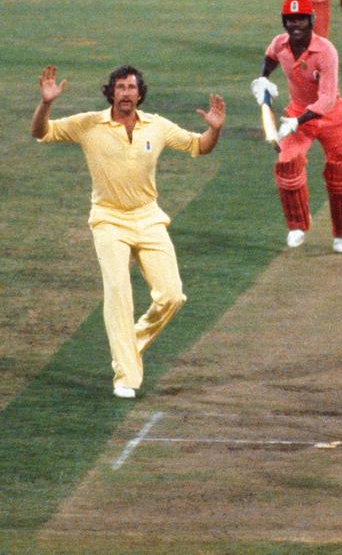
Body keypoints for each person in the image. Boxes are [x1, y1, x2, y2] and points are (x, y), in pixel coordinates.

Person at [30, 64, 225, 399]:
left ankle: (128, 345)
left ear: (139, 93)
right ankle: (126, 376)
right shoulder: (89, 124)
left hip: (148, 218)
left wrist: (215, 130)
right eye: (119, 87)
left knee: (172, 295)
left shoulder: (157, 126)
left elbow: (199, 146)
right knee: (119, 291)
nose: (125, 93)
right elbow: (40, 132)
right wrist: (46, 103)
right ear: (111, 92)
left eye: (131, 87)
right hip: (109, 220)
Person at [251, 0, 342, 253]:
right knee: (286, 164)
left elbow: (327, 99)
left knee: (340, 174)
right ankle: (297, 224)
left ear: (311, 20)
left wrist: (296, 122)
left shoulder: (326, 51)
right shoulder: (280, 44)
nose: (295, 25)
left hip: (331, 117)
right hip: (296, 112)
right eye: (290, 20)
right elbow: (270, 56)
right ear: (284, 22)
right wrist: (263, 78)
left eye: (300, 20)